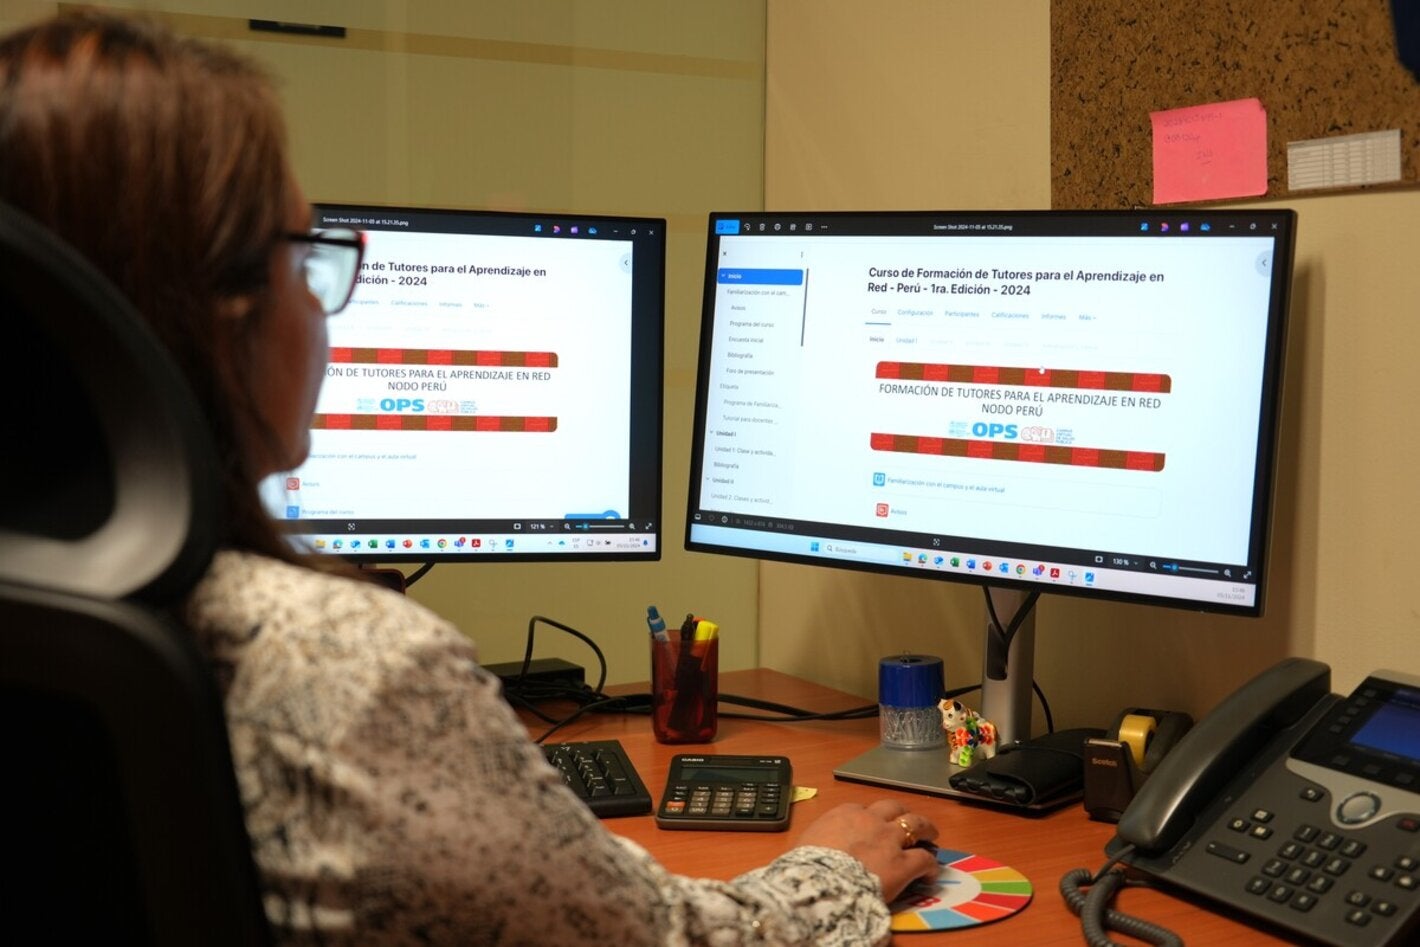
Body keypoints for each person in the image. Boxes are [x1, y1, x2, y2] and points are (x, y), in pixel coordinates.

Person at [0, 11, 942, 944]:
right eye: (311, 258)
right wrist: (838, 868)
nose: (327, 311)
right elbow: (657, 937)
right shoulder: (351, 668)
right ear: (209, 311)